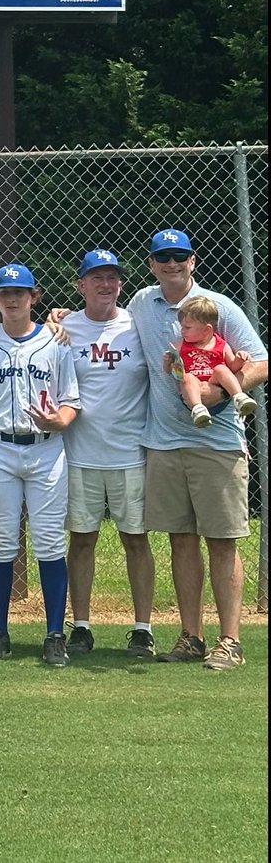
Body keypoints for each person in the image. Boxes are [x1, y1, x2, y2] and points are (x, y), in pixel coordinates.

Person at [128, 228, 267, 671]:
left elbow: (261, 361)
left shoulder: (216, 307)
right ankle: (191, 637)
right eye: (163, 257)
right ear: (151, 264)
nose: (171, 264)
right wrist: (63, 318)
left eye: (179, 256)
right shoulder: (141, 304)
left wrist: (222, 392)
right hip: (164, 443)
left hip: (217, 444)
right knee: (181, 541)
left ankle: (231, 641)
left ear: (192, 260)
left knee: (222, 543)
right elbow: (106, 324)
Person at [0, 264, 80, 667]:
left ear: (34, 297)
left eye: (20, 292)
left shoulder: (56, 340)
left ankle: (54, 635)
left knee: (49, 542)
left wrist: (60, 420)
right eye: (5, 292)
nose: (12, 298)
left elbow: (71, 401)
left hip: (46, 450)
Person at [60, 250, 156, 659]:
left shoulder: (137, 325)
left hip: (130, 453)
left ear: (120, 284)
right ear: (81, 285)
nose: (105, 284)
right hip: (80, 453)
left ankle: (143, 629)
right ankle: (81, 625)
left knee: (136, 540)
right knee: (82, 540)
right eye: (96, 277)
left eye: (112, 277)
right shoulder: (64, 328)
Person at [172, 295, 258, 427]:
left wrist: (240, 360)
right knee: (187, 377)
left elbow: (233, 367)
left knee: (221, 369)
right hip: (192, 392)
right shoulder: (181, 345)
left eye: (187, 327)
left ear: (207, 329)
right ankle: (198, 410)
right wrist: (169, 362)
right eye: (182, 327)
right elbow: (172, 370)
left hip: (217, 390)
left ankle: (239, 397)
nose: (182, 331)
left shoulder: (221, 344)